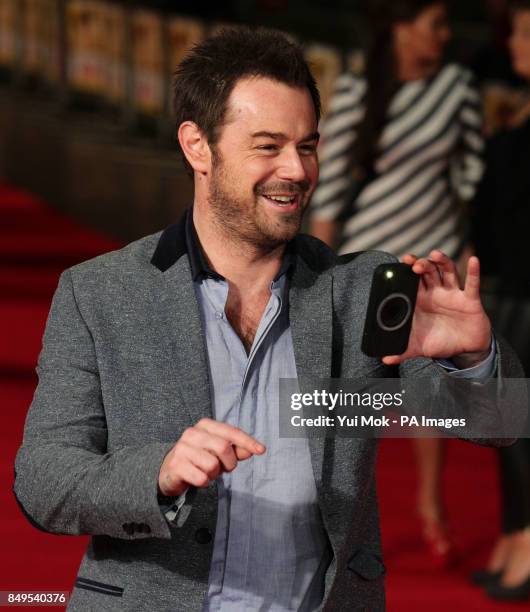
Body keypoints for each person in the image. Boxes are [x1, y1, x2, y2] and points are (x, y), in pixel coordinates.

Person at [13, 27, 521, 612]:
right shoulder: (100, 293)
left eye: (307, 146)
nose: (298, 170)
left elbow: (497, 424)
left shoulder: (357, 293)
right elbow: (45, 481)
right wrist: (159, 471)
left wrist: (470, 357)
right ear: (197, 146)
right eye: (268, 145)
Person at [309, 0, 485, 567]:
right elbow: (331, 184)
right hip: (370, 263)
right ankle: (339, 516)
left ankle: (432, 509)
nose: (444, 35)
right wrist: (318, 273)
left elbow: (471, 177)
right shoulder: (362, 89)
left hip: (432, 262)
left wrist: (463, 257)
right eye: (434, 24)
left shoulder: (457, 87)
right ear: (402, 29)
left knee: (432, 393)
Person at [471, 0, 530, 601]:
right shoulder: (514, 115)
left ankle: (527, 539)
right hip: (507, 290)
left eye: (523, 31)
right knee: (505, 422)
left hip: (527, 294)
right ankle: (515, 533)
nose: (513, 41)